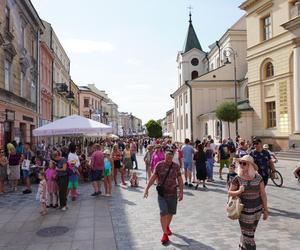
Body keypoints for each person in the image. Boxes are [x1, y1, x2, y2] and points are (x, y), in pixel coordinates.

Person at [144, 149, 184, 245]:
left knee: (170, 213)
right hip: (162, 194)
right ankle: (164, 234)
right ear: (165, 156)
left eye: (171, 156)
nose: (169, 158)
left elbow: (180, 179)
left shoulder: (176, 166)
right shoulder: (159, 165)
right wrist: (146, 189)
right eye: (167, 156)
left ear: (173, 156)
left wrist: (181, 192)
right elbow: (153, 177)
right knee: (163, 213)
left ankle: (166, 227)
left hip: (173, 193)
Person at [228, 155, 268, 250]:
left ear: (250, 165)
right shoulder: (237, 178)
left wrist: (265, 209)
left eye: (244, 163)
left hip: (257, 210)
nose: (241, 165)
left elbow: (263, 194)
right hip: (244, 211)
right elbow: (229, 193)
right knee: (249, 236)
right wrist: (239, 191)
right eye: (240, 163)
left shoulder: (258, 178)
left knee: (249, 233)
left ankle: (242, 247)